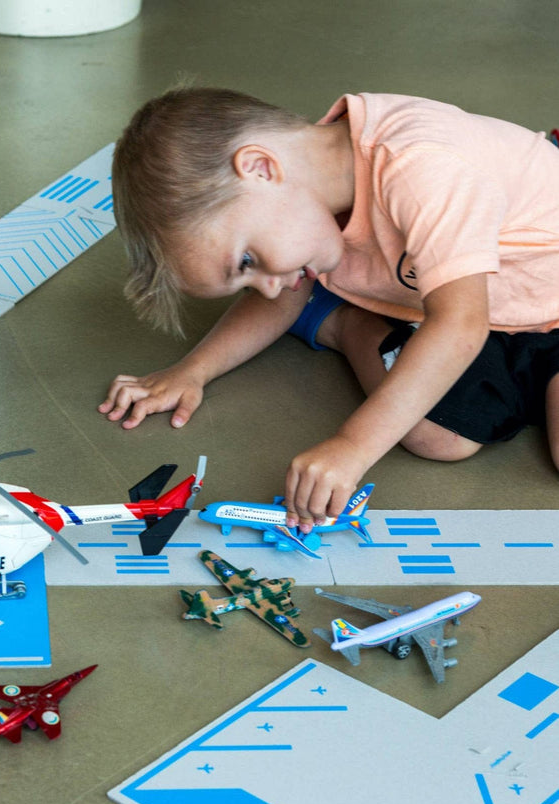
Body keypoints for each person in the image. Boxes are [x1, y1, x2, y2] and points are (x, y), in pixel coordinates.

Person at [98, 86, 559, 532]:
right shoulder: (308, 192)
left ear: (260, 168)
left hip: (483, 309)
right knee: (439, 437)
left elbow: (459, 325)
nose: (270, 291)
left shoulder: (423, 166)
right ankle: (344, 320)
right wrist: (192, 370)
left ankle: (345, 309)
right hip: (482, 306)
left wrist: (351, 446)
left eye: (247, 262)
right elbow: (285, 294)